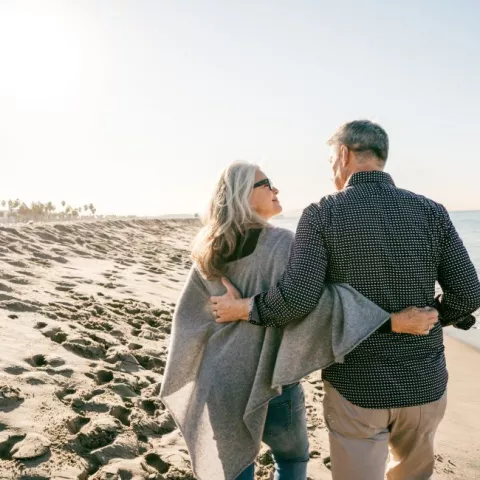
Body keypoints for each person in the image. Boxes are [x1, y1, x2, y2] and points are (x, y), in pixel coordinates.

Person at [211, 120, 480, 480]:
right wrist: (434, 315)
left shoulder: (323, 213)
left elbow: (297, 299)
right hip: (424, 381)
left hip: (357, 385)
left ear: (343, 154)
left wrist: (248, 308)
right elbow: (468, 294)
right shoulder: (432, 211)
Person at [160, 161, 438, 480]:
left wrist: (220, 326)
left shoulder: (207, 249)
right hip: (273, 380)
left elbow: (189, 319)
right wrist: (390, 320)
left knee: (234, 466)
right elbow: (318, 304)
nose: (276, 189)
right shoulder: (283, 244)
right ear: (242, 196)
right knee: (292, 459)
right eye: (266, 184)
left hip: (220, 381)